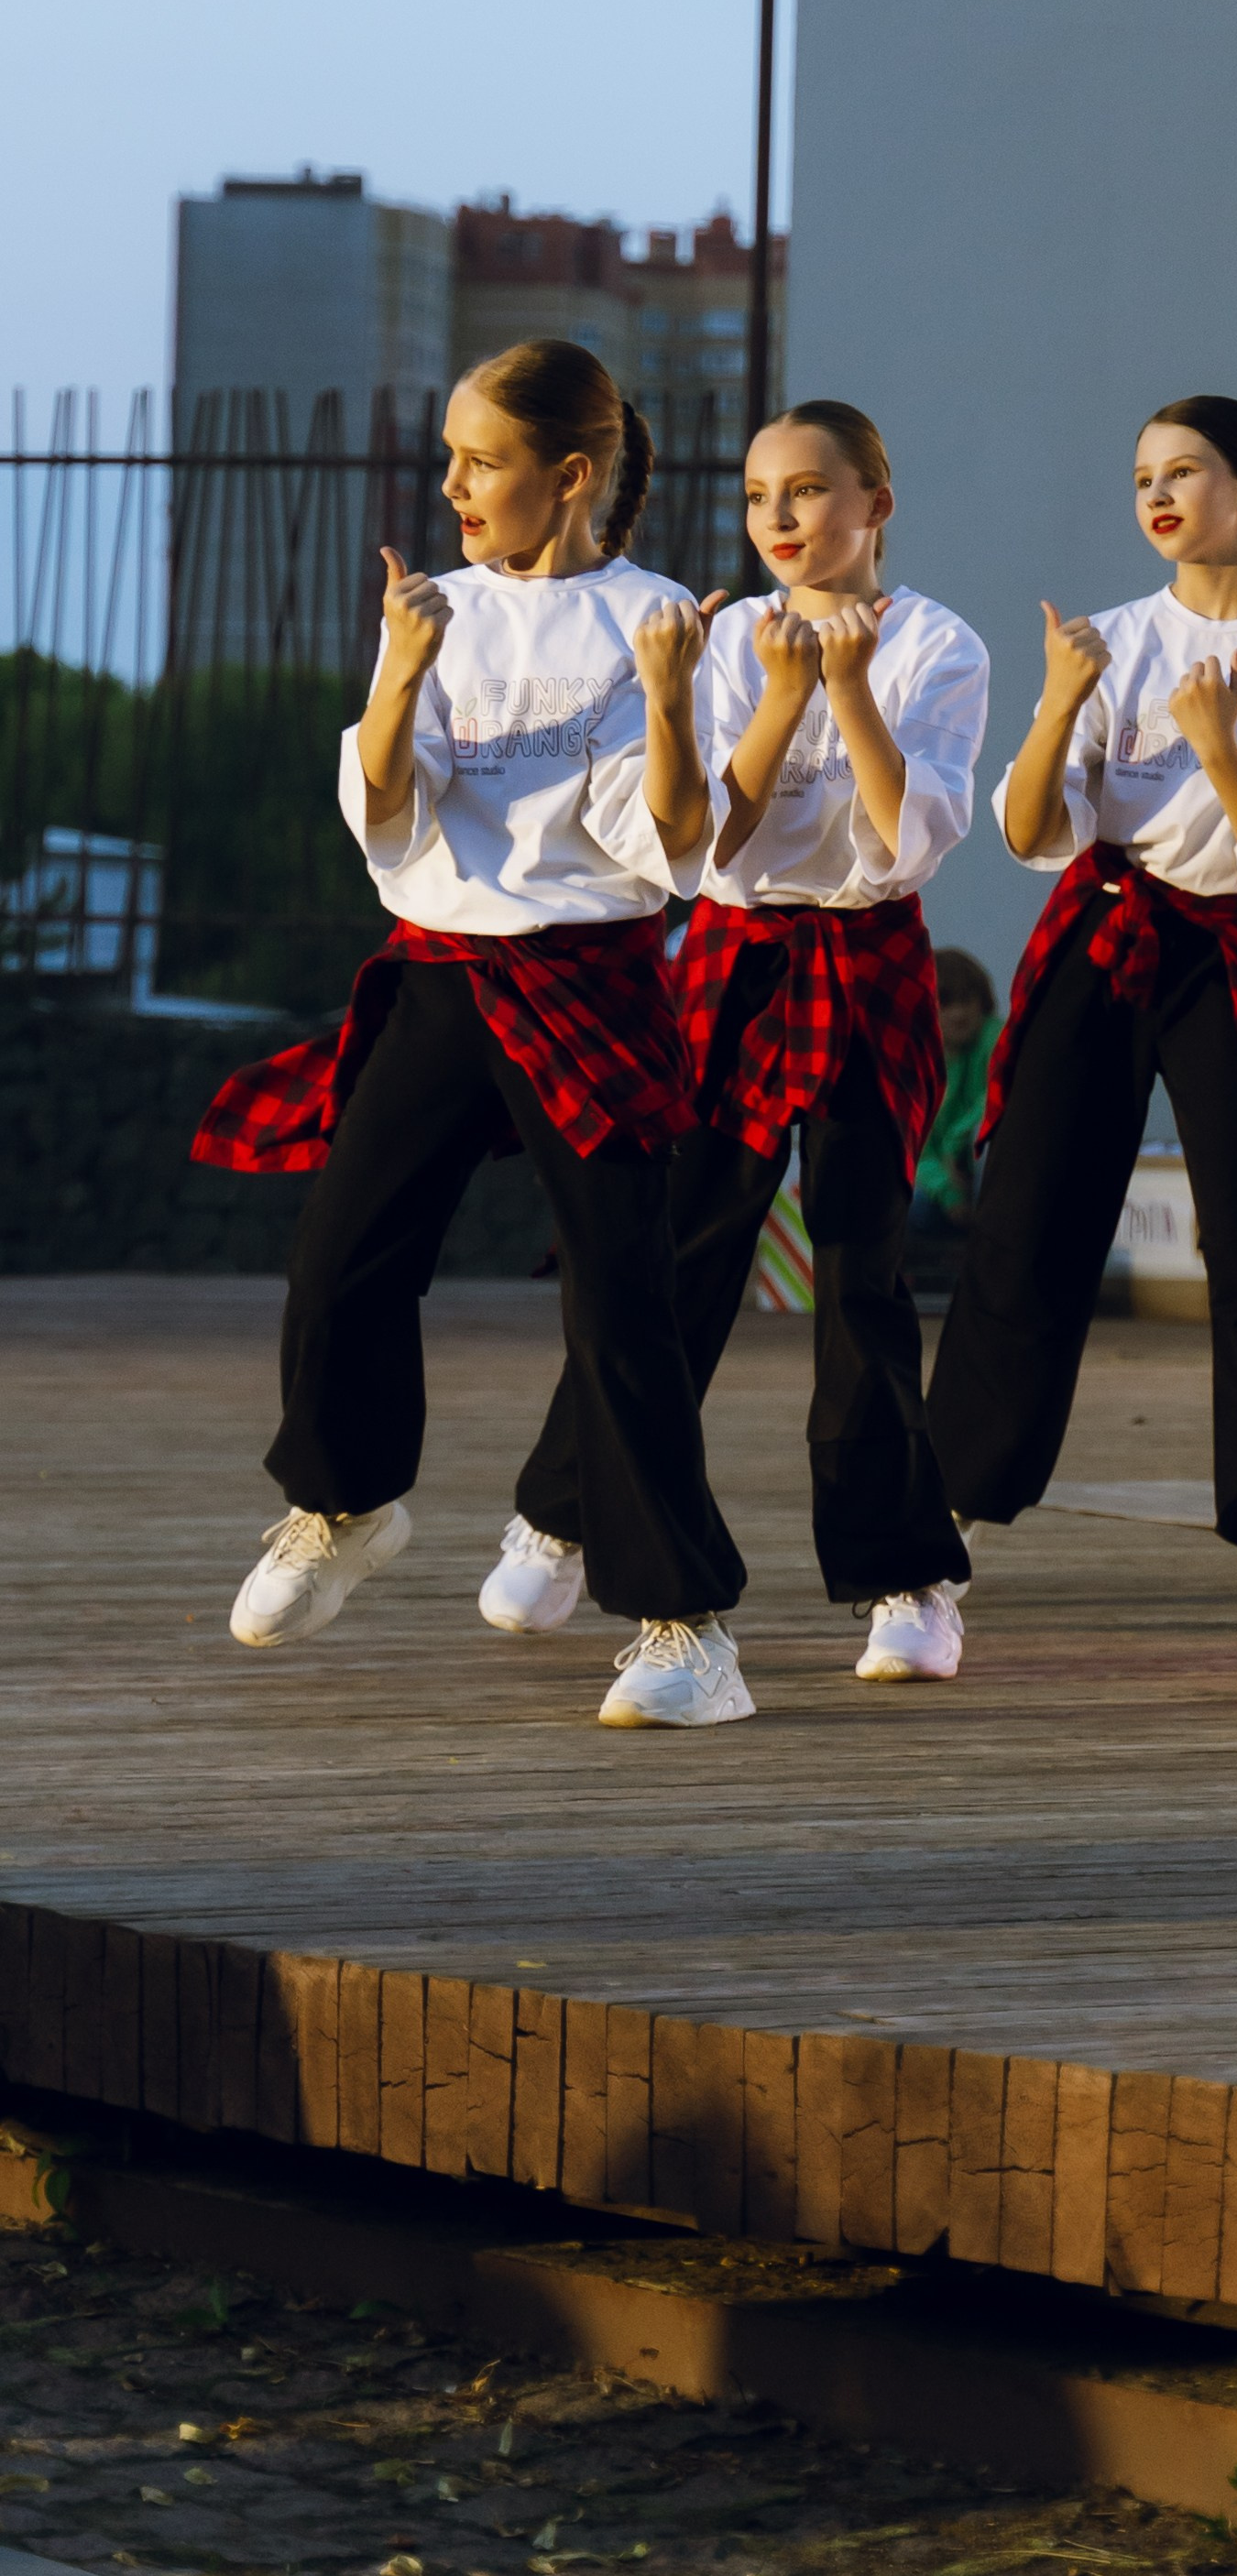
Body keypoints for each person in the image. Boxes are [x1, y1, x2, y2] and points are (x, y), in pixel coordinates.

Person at [192, 340, 751, 1730]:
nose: (451, 483)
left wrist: (675, 695)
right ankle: (344, 1505)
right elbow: (389, 815)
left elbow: (676, 842)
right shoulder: (431, 607)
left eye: (481, 459)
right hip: (444, 969)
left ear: (569, 476)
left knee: (622, 1304)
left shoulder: (661, 616)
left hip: (591, 979)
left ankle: (688, 1631)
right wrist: (401, 669)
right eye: (450, 455)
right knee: (339, 1255)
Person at [487, 401, 989, 1684]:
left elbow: (909, 835)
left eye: (811, 490)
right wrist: (778, 692)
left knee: (862, 1269)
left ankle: (906, 1579)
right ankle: (562, 1508)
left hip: (868, 961)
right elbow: (701, 840)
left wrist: (851, 686)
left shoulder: (939, 644)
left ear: (877, 503)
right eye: (762, 492)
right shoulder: (718, 644)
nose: (779, 516)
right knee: (676, 1250)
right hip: (732, 952)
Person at [924, 394, 1237, 1633]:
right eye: (1142, 478)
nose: (1158, 495)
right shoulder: (1108, 639)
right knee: (1026, 1223)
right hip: (1101, 938)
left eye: (1185, 471)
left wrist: (1218, 747)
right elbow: (1024, 832)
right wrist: (1062, 699)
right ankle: (942, 1520)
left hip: (1227, 955)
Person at [908, 950, 1002, 1277]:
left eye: (967, 1001)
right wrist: (949, 1192)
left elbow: (998, 1101)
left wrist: (954, 1146)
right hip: (938, 1189)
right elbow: (911, 1146)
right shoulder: (914, 1058)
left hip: (988, 1182)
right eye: (945, 1004)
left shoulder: (997, 1038)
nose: (959, 1014)